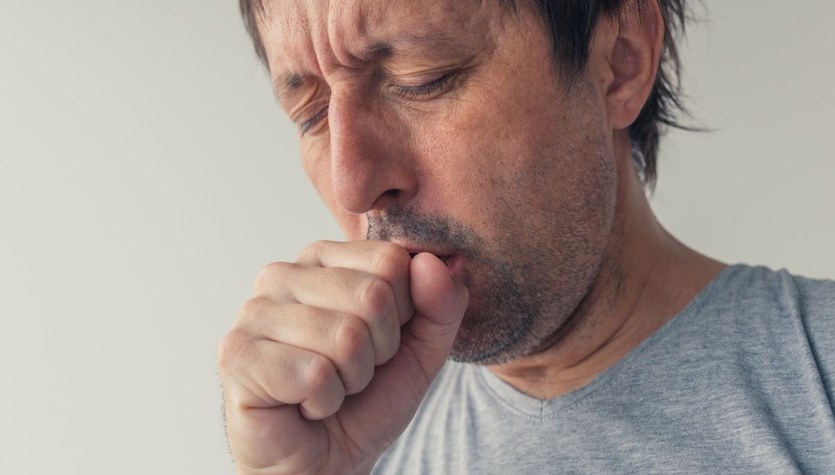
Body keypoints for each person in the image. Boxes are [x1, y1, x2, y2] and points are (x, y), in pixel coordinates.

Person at [218, 0, 835, 473]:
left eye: (421, 77)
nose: (351, 183)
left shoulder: (818, 377)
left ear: (621, 60)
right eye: (312, 115)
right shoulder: (344, 436)